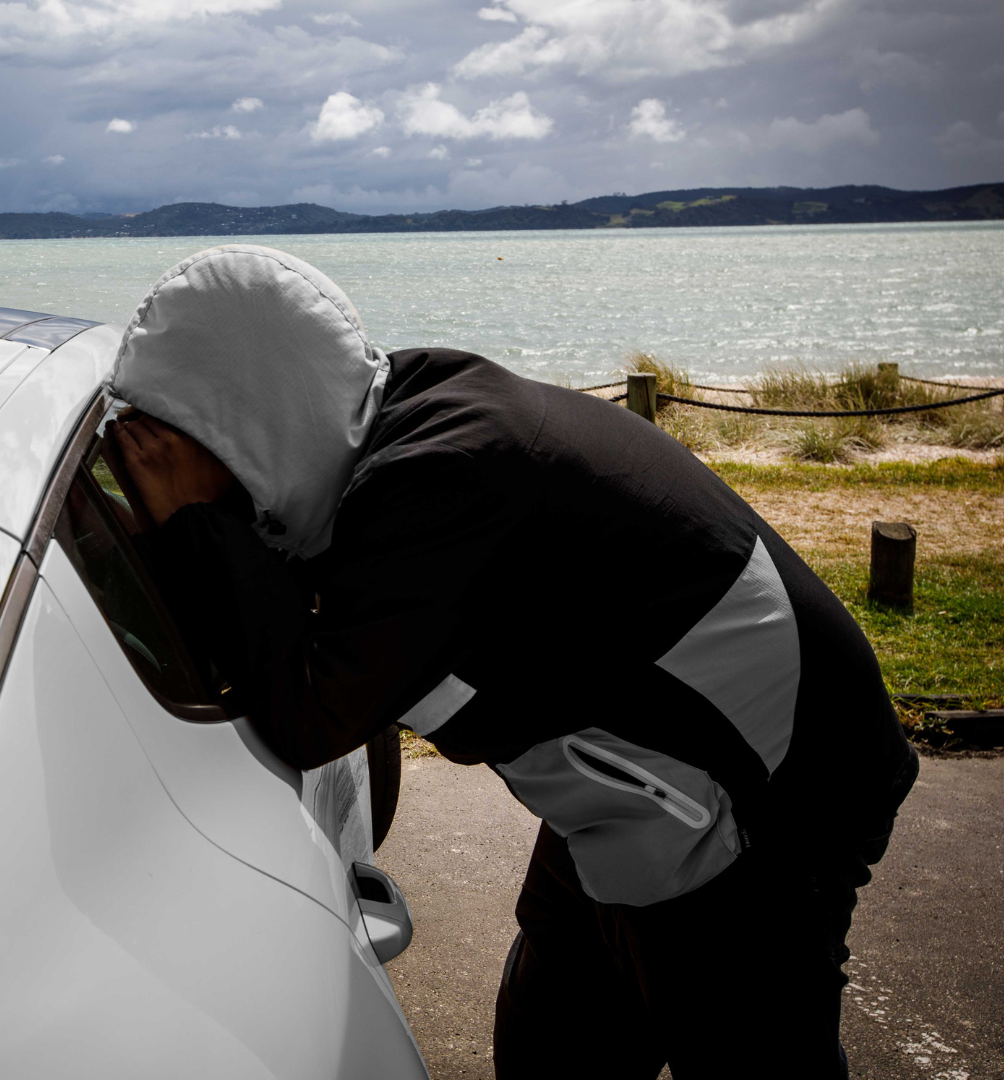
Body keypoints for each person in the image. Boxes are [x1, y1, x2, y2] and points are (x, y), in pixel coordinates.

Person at [104, 245, 918, 1079]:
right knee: (553, 1035)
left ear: (250, 424)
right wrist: (177, 534)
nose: (167, 481)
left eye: (177, 453)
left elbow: (312, 712)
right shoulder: (396, 417)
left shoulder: (444, 477)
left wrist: (200, 523)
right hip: (640, 783)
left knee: (748, 1049)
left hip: (771, 788)